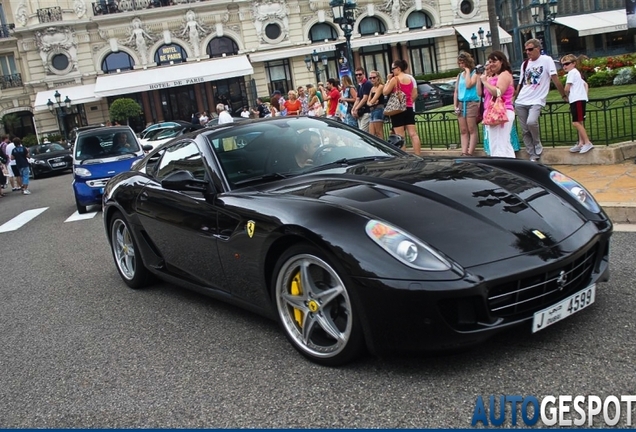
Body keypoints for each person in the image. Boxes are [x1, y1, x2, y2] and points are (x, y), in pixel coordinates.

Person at [514, 39, 568, 162]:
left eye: (530, 49)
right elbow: (521, 82)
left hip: (537, 99)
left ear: (538, 48)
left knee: (531, 122)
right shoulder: (525, 64)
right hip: (522, 100)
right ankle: (532, 153)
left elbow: (554, 78)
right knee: (525, 130)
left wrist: (563, 95)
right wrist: (515, 97)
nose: (528, 52)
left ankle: (537, 142)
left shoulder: (547, 60)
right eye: (526, 50)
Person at [480, 51, 516, 158]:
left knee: (498, 146)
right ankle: (513, 170)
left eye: (494, 61)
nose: (491, 64)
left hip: (501, 113)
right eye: (490, 61)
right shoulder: (495, 76)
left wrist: (485, 82)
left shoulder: (504, 74)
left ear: (501, 61)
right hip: (495, 113)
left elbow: (498, 92)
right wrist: (485, 79)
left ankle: (501, 171)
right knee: (504, 145)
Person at [382, 59, 422, 155]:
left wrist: (388, 80)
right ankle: (418, 154)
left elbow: (385, 92)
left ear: (398, 68)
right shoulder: (409, 79)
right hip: (408, 107)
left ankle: (403, 157)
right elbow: (413, 94)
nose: (392, 71)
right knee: (413, 134)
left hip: (398, 109)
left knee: (400, 135)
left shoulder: (394, 79)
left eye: (393, 68)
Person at [561, 54, 593, 154]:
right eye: (563, 64)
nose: (565, 66)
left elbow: (566, 88)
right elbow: (585, 84)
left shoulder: (572, 73)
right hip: (578, 99)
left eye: (567, 64)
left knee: (576, 122)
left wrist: (565, 95)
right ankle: (581, 143)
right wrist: (585, 95)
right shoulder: (576, 73)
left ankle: (587, 142)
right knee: (579, 122)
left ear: (573, 63)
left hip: (577, 100)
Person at [453, 52, 482, 156]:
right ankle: (464, 151)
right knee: (463, 129)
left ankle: (470, 152)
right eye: (460, 63)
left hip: (471, 103)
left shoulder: (474, 73)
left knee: (471, 128)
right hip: (461, 103)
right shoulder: (460, 75)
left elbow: (469, 85)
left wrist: (468, 71)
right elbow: (456, 91)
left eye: (463, 62)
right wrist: (455, 105)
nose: (461, 65)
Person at [352, 67, 373, 132]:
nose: (358, 76)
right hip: (360, 112)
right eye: (356, 75)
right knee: (361, 132)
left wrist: (356, 109)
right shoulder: (359, 85)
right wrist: (353, 109)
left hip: (367, 111)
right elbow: (358, 99)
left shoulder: (367, 84)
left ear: (364, 74)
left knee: (363, 133)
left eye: (360, 74)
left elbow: (365, 98)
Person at [366, 71, 385, 139]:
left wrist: (371, 102)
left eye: (374, 77)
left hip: (378, 109)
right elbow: (368, 102)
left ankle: (382, 148)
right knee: (371, 134)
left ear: (378, 78)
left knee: (378, 132)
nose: (372, 79)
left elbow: (373, 99)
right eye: (370, 78)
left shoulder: (380, 86)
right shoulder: (372, 88)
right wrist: (372, 103)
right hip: (372, 110)